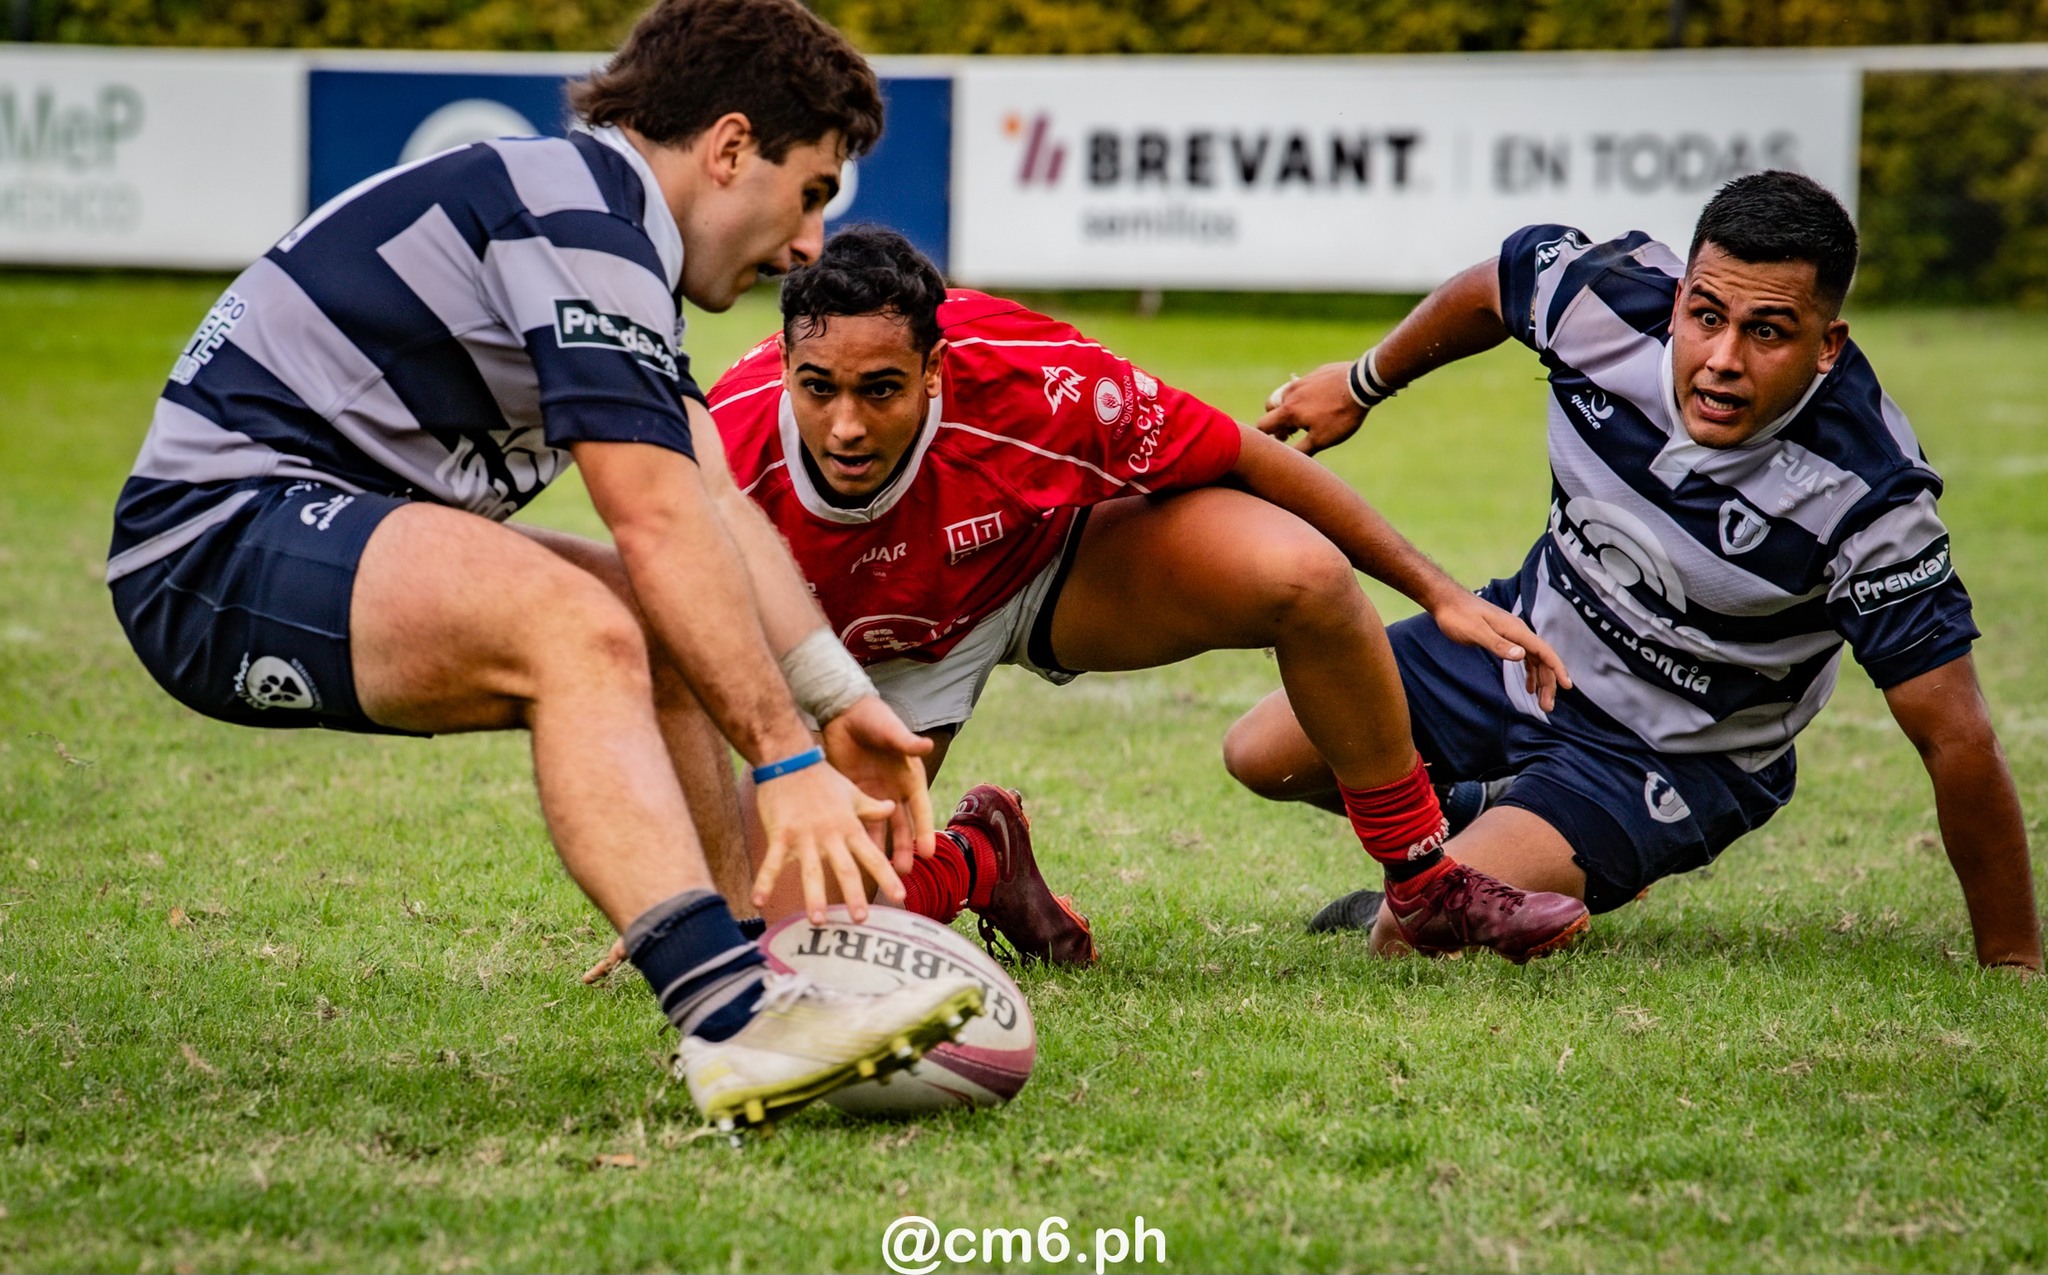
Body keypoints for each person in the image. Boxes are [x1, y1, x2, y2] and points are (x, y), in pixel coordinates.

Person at [104, 0, 986, 1133]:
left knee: (647, 615)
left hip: (296, 524)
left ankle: (765, 989)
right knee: (579, 623)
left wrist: (837, 702)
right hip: (212, 543)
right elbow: (656, 521)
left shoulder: (595, 229)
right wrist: (782, 760)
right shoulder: (575, 219)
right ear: (728, 149)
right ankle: (734, 1022)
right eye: (811, 191)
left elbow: (711, 502)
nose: (811, 243)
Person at [704, 226, 1593, 966]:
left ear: (936, 367)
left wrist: (1435, 590)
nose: (846, 424)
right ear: (785, 362)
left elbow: (1245, 456)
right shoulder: (721, 451)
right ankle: (982, 858)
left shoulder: (1038, 379)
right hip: (878, 665)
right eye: (818, 388)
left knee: (1304, 575)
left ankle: (1427, 882)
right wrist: (697, 890)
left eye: (881, 389)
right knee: (796, 947)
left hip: (1043, 564)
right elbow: (680, 663)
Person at [1243, 171, 2042, 971]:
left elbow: (1955, 735)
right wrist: (1362, 381)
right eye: (1706, 316)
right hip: (1525, 648)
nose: (1723, 359)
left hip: (1669, 751)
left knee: (1405, 939)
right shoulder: (1605, 302)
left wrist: (2010, 960)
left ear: (1826, 346)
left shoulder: (1868, 496)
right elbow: (1497, 285)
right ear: (1679, 299)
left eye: (1768, 332)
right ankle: (1482, 815)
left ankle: (1523, 856)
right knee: (1265, 751)